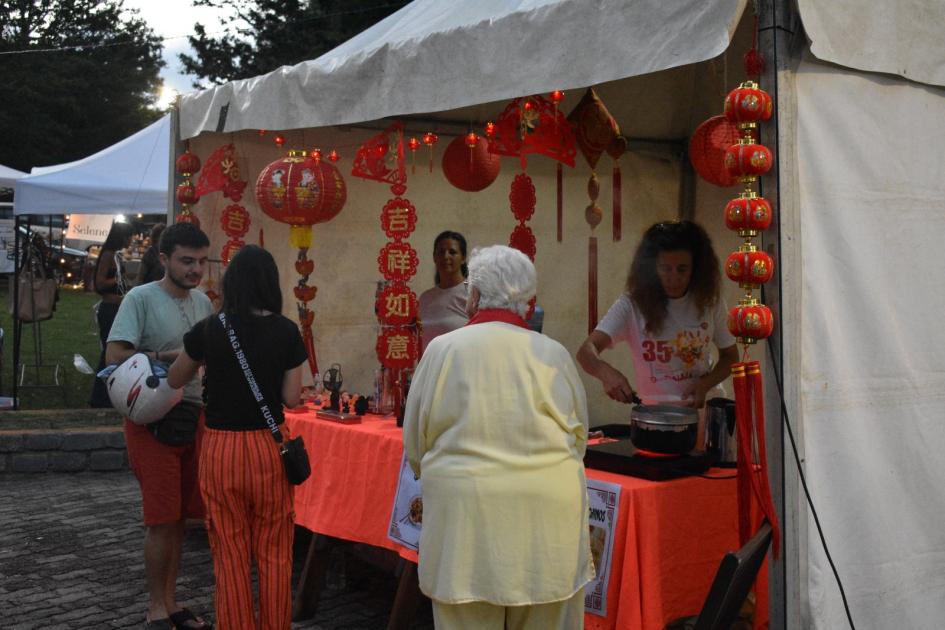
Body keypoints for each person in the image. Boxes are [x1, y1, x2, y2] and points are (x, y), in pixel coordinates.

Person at [404, 245, 593, 630]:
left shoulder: (442, 351)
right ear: (530, 302)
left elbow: (416, 446)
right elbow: (579, 440)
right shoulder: (554, 354)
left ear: (472, 296)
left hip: (466, 526)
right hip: (549, 524)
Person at [168, 245, 307, 630]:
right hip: (267, 447)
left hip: (221, 449)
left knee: (228, 551)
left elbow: (176, 379)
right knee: (275, 551)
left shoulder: (210, 329)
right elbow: (292, 397)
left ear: (232, 284)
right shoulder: (286, 330)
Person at [105, 222, 214, 630]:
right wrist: (170, 357)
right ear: (164, 259)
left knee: (183, 518)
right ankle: (155, 608)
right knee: (160, 518)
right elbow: (114, 356)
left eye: (202, 262)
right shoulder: (140, 298)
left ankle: (171, 603)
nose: (196, 270)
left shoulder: (203, 302)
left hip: (194, 414)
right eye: (187, 261)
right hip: (152, 419)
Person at [577, 219, 738, 411]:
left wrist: (705, 384)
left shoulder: (709, 301)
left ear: (696, 269)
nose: (674, 278)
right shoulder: (632, 303)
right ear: (652, 268)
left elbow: (730, 357)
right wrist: (606, 373)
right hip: (656, 414)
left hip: (704, 410)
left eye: (682, 269)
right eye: (665, 268)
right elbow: (586, 351)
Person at [89, 220, 134, 408]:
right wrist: (118, 279)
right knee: (110, 353)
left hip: (116, 306)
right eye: (129, 236)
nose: (131, 240)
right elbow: (99, 283)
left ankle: (108, 394)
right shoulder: (108, 254)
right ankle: (100, 396)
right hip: (110, 307)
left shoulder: (115, 254)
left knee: (113, 351)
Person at [418, 230, 469, 351]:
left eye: (452, 252)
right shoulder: (426, 298)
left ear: (463, 258)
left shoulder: (474, 293)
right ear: (434, 257)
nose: (446, 256)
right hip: (433, 368)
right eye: (441, 252)